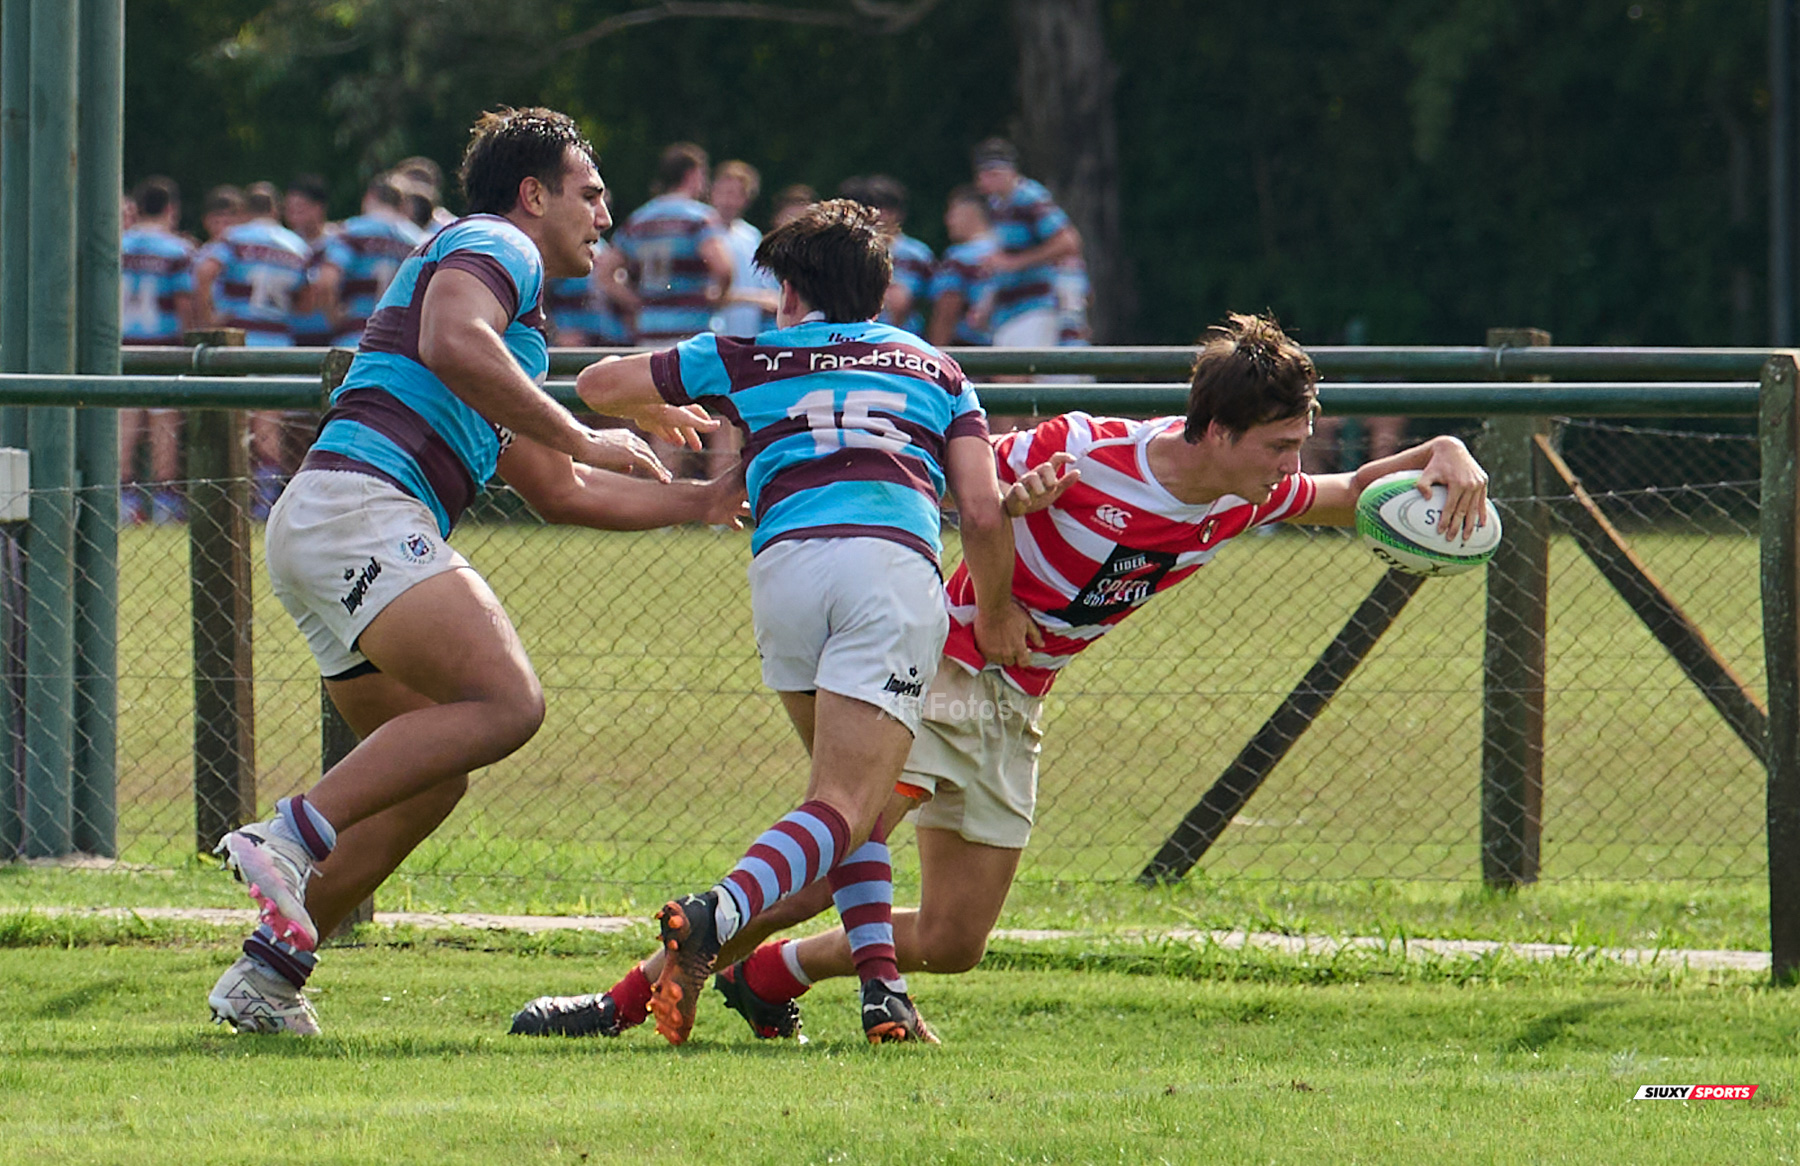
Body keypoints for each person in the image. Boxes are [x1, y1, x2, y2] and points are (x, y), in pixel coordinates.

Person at [512, 313, 1490, 1045]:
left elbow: (1357, 495)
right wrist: (1007, 521)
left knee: (954, 933)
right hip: (945, 664)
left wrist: (1443, 450)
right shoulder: (1087, 451)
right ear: (1217, 427)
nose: (1294, 462)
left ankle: (770, 976)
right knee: (833, 846)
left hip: (1018, 700)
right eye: (1280, 443)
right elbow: (955, 484)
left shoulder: (1249, 492)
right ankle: (622, 1001)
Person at [204, 106, 745, 1037]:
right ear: (533, 196)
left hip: (330, 522)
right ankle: (290, 833)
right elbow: (456, 342)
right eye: (590, 193)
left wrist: (699, 501)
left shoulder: (518, 335)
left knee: (431, 775)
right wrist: (583, 427)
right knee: (508, 704)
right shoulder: (498, 240)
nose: (606, 216)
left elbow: (559, 490)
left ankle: (269, 975)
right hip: (361, 510)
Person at [573, 198, 1033, 1046]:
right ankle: (717, 914)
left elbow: (595, 384)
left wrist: (656, 410)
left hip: (784, 568)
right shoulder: (934, 368)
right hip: (886, 570)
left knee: (842, 801)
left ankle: (880, 993)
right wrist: (997, 614)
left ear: (790, 290)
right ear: (880, 292)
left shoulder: (746, 353)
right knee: (845, 800)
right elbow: (979, 507)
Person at [118, 176, 196, 525]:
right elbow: (183, 305)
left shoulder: (118, 244)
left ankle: (124, 501)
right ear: (171, 209)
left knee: (125, 421)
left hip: (122, 346)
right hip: (163, 346)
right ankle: (165, 502)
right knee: (164, 424)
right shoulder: (177, 251)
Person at [970, 138, 1083, 351]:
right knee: (1005, 376)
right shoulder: (996, 205)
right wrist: (986, 305)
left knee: (1018, 376)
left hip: (1036, 306)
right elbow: (1003, 259)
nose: (982, 181)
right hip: (1007, 311)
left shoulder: (1030, 198)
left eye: (989, 174)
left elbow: (1068, 242)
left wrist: (1016, 262)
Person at [315, 174, 429, 348]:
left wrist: (333, 317)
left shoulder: (352, 232)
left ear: (369, 196)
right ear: (402, 204)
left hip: (357, 334)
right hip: (400, 341)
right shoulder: (418, 241)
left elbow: (326, 281)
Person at [840, 175, 934, 336]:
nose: (881, 216)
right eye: (873, 208)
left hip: (908, 337)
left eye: (887, 209)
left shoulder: (917, 254)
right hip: (856, 336)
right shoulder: (844, 252)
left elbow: (934, 304)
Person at [708, 160, 779, 339]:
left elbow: (764, 285)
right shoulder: (704, 233)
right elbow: (709, 291)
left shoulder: (750, 236)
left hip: (746, 333)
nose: (727, 200)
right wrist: (755, 299)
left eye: (735, 194)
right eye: (723, 192)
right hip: (712, 331)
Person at [926, 185, 999, 349]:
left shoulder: (961, 257)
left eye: (953, 213)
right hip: (1009, 343)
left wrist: (936, 354)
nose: (948, 220)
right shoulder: (1010, 253)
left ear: (970, 214)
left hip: (971, 349)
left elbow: (947, 312)